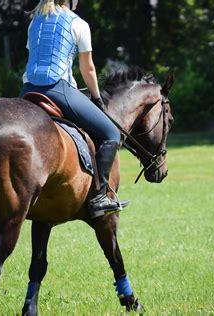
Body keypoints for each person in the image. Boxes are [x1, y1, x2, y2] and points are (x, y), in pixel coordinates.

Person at [20, 0, 128, 218]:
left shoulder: (35, 22)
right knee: (111, 133)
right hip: (58, 89)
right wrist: (96, 98)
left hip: (27, 90)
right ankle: (99, 197)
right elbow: (87, 68)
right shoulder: (78, 23)